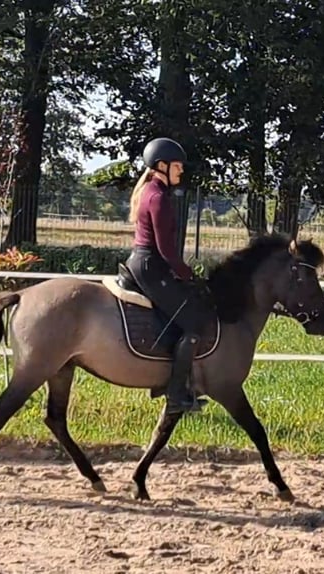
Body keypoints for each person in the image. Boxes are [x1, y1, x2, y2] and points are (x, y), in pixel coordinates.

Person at [125, 137, 213, 415]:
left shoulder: (149, 191)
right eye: (177, 166)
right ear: (161, 165)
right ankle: (176, 396)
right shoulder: (158, 197)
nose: (181, 171)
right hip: (152, 267)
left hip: (145, 263)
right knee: (194, 324)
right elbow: (166, 249)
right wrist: (188, 275)